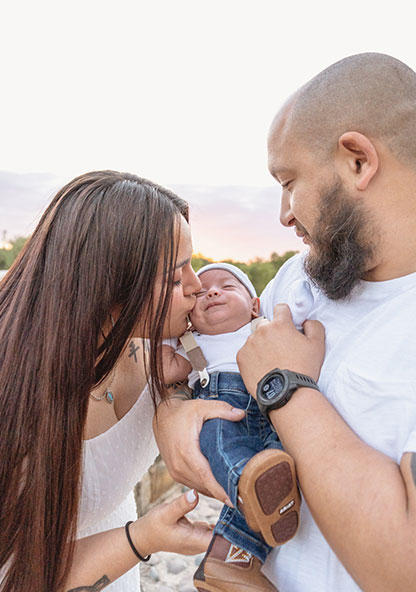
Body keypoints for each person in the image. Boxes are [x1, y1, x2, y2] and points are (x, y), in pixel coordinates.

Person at [153, 52, 416, 592]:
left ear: (358, 161)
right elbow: (222, 362)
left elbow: (402, 569)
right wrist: (176, 415)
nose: (283, 214)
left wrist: (286, 388)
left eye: (289, 180)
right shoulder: (301, 277)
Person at [0, 170, 248, 592]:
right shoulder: (15, 397)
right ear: (109, 288)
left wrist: (173, 404)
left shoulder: (162, 348)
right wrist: (144, 537)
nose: (196, 286)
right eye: (175, 276)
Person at [163, 262, 314, 591]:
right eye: (201, 293)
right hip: (221, 403)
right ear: (191, 319)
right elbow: (161, 369)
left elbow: (298, 322)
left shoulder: (262, 327)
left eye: (227, 287)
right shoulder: (191, 343)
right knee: (222, 448)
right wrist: (170, 332)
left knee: (283, 456)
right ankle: (243, 523)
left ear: (255, 305)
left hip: (270, 402)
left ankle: (230, 553)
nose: (212, 292)